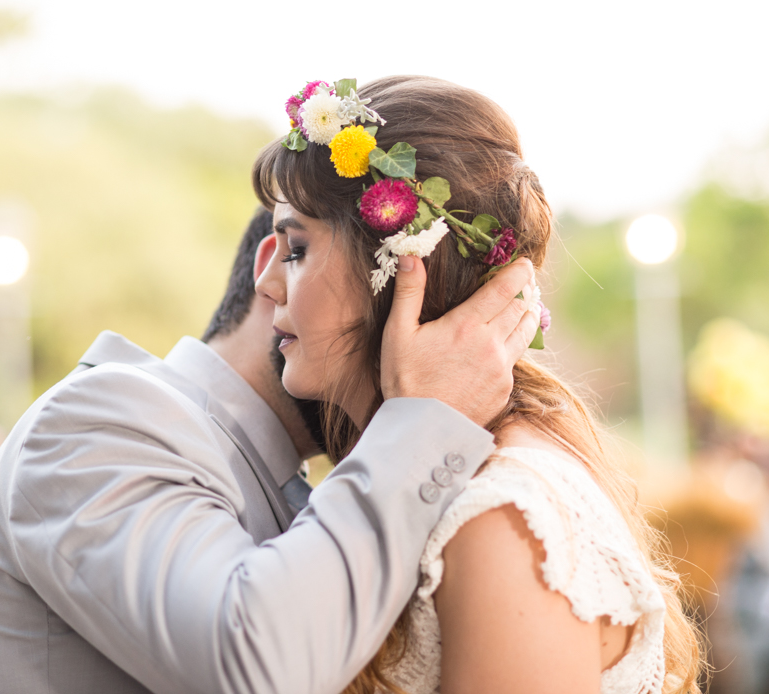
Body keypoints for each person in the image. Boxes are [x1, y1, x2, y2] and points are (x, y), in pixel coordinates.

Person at [0, 204, 540, 692]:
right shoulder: (100, 420)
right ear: (281, 268)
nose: (413, 364)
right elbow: (255, 660)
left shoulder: (302, 490)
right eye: (410, 324)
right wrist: (424, 422)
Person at [253, 75, 704, 694]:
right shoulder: (435, 478)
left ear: (402, 266)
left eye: (297, 249)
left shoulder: (502, 514)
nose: (267, 285)